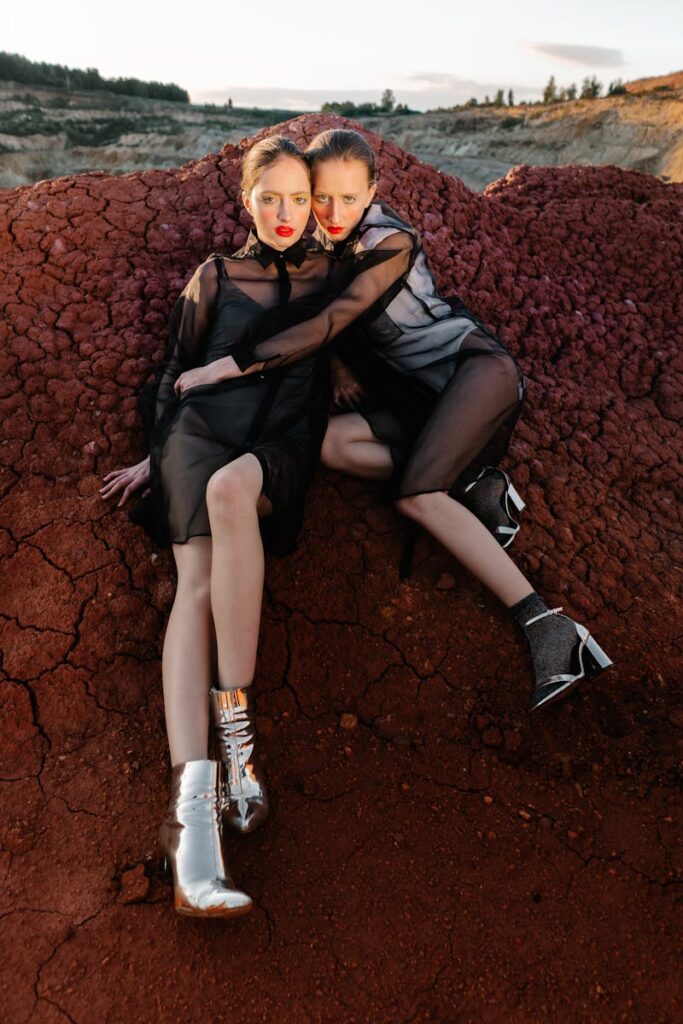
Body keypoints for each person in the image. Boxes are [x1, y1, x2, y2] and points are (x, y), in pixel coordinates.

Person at [219, 128, 612, 713]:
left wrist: (232, 367)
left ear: (372, 191)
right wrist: (338, 363)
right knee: (331, 444)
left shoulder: (390, 239)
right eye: (320, 198)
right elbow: (317, 313)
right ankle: (477, 485)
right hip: (414, 398)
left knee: (416, 496)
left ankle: (553, 629)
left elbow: (336, 315)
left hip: (474, 374)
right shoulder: (328, 245)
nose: (332, 212)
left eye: (349, 199)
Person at [100, 136, 337, 916]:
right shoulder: (213, 276)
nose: (282, 213)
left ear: (313, 205)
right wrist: (153, 453)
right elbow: (173, 371)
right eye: (268, 197)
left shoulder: (331, 276)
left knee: (238, 496)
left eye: (297, 199)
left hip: (279, 447)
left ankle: (237, 733)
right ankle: (192, 824)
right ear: (245, 200)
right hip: (198, 436)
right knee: (192, 583)